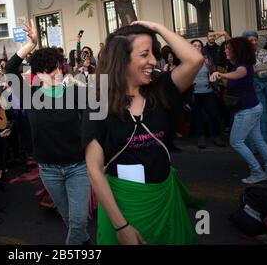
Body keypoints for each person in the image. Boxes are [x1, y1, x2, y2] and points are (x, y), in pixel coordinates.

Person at [83, 21, 204, 245]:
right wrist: (121, 226)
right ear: (123, 60)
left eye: (153, 53)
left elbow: (195, 59)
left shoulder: (162, 89)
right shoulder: (98, 105)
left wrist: (157, 28)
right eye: (144, 54)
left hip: (165, 200)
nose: (153, 61)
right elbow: (94, 170)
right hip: (124, 205)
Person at [5, 21, 91, 245]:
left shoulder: (72, 90)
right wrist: (31, 44)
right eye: (46, 72)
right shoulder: (29, 95)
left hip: (78, 167)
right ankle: (84, 243)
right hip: (49, 170)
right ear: (37, 75)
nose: (53, 75)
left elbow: (98, 108)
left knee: (79, 220)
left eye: (55, 70)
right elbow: (10, 68)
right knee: (70, 218)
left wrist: (81, 87)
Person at [210, 37, 267, 184]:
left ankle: (257, 171)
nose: (226, 50)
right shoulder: (241, 64)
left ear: (237, 51)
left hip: (247, 111)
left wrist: (221, 75)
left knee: (236, 142)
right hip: (253, 108)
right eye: (226, 48)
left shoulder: (243, 66)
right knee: (258, 139)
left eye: (229, 48)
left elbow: (239, 74)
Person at [242, 30, 267, 151]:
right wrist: (255, 70)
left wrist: (251, 70)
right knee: (250, 122)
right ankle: (252, 149)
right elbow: (244, 72)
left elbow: (266, 69)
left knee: (264, 120)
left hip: (261, 91)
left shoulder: (263, 51)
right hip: (248, 92)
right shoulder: (242, 55)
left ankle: (266, 149)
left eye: (255, 39)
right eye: (251, 40)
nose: (254, 42)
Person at [190, 39, 224, 148]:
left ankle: (216, 136)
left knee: (214, 115)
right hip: (194, 94)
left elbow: (213, 71)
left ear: (201, 48)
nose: (197, 47)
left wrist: (215, 84)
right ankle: (201, 137)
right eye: (194, 45)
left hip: (209, 92)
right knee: (197, 116)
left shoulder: (207, 59)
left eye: (199, 46)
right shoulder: (187, 60)